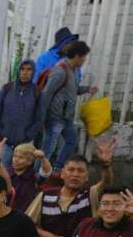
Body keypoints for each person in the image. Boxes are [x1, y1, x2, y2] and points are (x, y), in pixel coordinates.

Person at [25, 143, 114, 237]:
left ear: (87, 177)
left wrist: (105, 164)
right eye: (71, 170)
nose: (75, 174)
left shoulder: (91, 194)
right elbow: (26, 223)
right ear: (62, 174)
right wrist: (45, 235)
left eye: (80, 171)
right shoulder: (45, 196)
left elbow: (106, 182)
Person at [37, 40, 98, 170]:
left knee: (71, 141)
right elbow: (46, 94)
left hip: (67, 117)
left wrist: (87, 89)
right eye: (84, 57)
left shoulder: (74, 70)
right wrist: (42, 117)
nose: (85, 60)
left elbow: (72, 90)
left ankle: (57, 168)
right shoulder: (60, 70)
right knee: (48, 149)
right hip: (55, 117)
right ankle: (38, 174)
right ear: (77, 56)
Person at [0, 59, 42, 166]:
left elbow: (39, 118)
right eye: (22, 69)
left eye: (29, 69)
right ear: (18, 71)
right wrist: (1, 132)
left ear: (33, 72)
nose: (25, 72)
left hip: (25, 144)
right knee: (2, 170)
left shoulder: (37, 92)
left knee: (21, 171)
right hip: (5, 143)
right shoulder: (7, 88)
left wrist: (28, 135)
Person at [0, 142, 53, 214]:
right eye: (15, 156)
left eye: (21, 157)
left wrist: (43, 159)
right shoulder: (6, 172)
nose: (16, 159)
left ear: (30, 162)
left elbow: (46, 172)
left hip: (25, 214)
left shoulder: (33, 176)